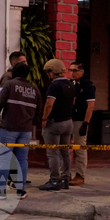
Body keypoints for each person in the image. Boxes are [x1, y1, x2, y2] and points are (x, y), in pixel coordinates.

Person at [0, 62, 39, 200]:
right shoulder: (34, 89)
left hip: (9, 128)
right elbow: (39, 110)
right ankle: (20, 190)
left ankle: (1, 190)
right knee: (22, 159)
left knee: (5, 159)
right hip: (26, 130)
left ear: (14, 73)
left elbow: (0, 101)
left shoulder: (9, 85)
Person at [39, 59, 77, 191]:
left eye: (48, 72)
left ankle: (54, 180)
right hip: (68, 122)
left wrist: (44, 118)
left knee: (52, 153)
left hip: (55, 123)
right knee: (65, 152)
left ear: (51, 71)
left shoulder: (54, 86)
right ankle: (65, 179)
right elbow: (72, 102)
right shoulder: (71, 84)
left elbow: (49, 104)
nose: (48, 75)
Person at [69, 63, 95, 186]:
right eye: (70, 70)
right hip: (69, 119)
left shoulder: (87, 86)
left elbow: (90, 106)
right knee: (65, 148)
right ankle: (66, 173)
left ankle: (80, 175)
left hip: (80, 120)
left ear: (82, 71)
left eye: (75, 70)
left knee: (80, 148)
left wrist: (86, 123)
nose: (72, 73)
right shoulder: (71, 84)